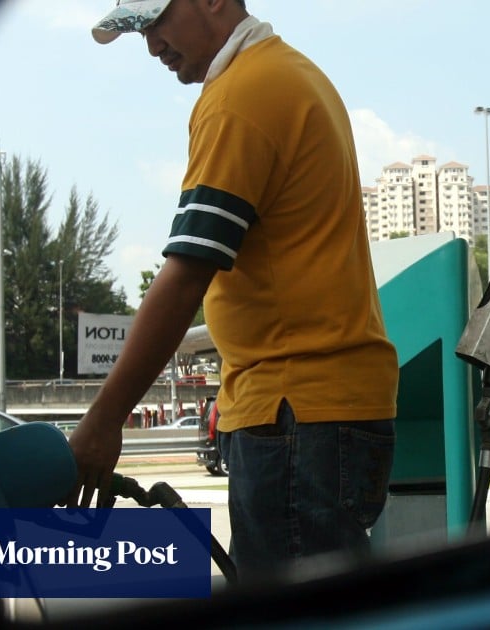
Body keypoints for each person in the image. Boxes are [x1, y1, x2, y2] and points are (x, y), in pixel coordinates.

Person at [69, 0, 399, 582]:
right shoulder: (295, 73)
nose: (151, 46)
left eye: (156, 22)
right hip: (324, 407)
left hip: (294, 411)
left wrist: (105, 418)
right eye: (139, 29)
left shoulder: (239, 97)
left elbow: (187, 272)